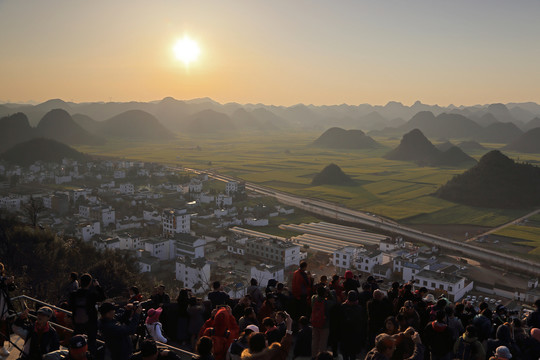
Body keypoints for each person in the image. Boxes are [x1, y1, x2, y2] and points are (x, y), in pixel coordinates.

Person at [68, 273, 105, 355]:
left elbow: (70, 306)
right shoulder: (92, 294)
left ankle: (73, 355)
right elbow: (102, 297)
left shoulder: (73, 294)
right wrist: (97, 286)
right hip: (91, 322)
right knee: (91, 342)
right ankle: (90, 356)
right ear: (90, 283)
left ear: (80, 282)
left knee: (76, 340)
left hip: (77, 321)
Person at [0, 263, 15, 358]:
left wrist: (11, 282)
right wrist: (5, 282)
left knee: (3, 327)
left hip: (3, 306)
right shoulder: (2, 280)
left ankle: (1, 346)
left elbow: (11, 289)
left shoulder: (3, 278)